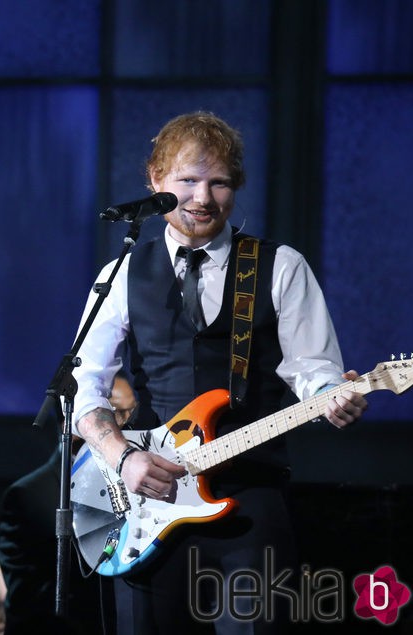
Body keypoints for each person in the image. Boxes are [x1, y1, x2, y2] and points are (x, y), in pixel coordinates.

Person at [69, 111, 367, 634]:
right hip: (147, 498)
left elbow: (314, 370)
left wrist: (332, 396)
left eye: (219, 183)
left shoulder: (280, 266)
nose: (202, 198)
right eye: (187, 181)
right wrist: (123, 460)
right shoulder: (120, 274)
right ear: (156, 182)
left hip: (250, 495)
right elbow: (84, 388)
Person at [0, 375, 134, 634]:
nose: (128, 423)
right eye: (117, 413)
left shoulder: (137, 479)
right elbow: (26, 598)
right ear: (73, 421)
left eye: (132, 411)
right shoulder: (30, 496)